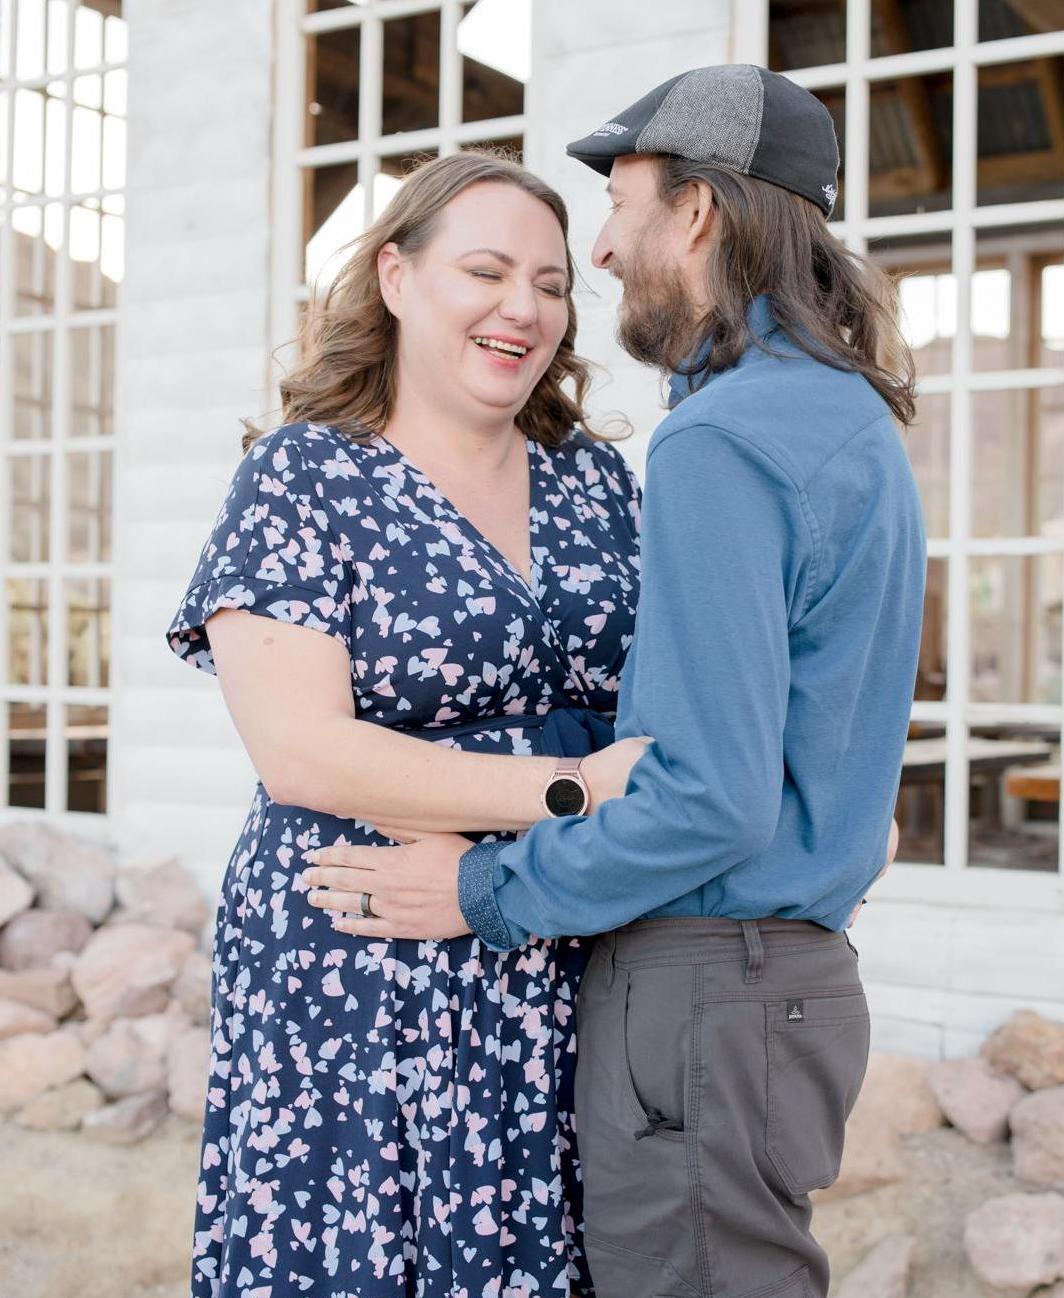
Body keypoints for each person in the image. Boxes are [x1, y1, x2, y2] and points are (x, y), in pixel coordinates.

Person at [305, 65, 926, 1298]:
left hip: (703, 981)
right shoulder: (848, 417)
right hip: (789, 985)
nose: (599, 250)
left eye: (622, 206)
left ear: (695, 213)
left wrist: (484, 886)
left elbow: (707, 799)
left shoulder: (718, 440)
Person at [166, 152, 649, 1298]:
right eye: (483, 270)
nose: (521, 307)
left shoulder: (595, 483)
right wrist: (574, 791)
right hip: (359, 959)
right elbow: (302, 751)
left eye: (549, 281)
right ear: (393, 275)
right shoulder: (304, 477)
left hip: (556, 942)